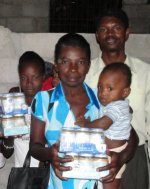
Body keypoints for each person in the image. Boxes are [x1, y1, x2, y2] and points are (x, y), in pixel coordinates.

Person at [30, 33, 138, 189]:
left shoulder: (102, 98)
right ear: (57, 65)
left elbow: (131, 136)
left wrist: (120, 158)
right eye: (65, 61)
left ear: (88, 65)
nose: (73, 69)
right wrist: (49, 154)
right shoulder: (43, 100)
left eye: (80, 62)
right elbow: (35, 146)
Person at [85, 8, 150, 189]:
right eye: (104, 29)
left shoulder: (145, 72)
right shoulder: (86, 73)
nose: (110, 33)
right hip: (95, 154)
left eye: (116, 28)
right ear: (97, 35)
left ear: (127, 32)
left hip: (135, 156)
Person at [77, 63, 132, 189]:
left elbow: (103, 124)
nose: (102, 93)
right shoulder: (108, 103)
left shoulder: (118, 106)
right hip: (106, 151)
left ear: (125, 92)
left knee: (109, 184)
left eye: (110, 89)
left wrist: (86, 124)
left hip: (114, 153)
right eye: (100, 87)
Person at [2, 51, 45, 167]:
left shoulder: (49, 105)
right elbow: (7, 153)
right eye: (24, 77)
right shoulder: (13, 107)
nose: (29, 83)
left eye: (34, 77)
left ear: (43, 78)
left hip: (46, 177)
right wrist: (8, 138)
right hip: (22, 177)